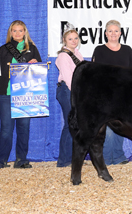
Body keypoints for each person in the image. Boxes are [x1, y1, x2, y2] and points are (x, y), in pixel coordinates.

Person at [0, 20, 42, 169]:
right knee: (6, 128)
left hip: (26, 93)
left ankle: (21, 160)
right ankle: (1, 161)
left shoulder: (32, 49)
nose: (17, 33)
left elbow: (40, 71)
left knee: (24, 127)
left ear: (25, 32)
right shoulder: (4, 49)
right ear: (10, 33)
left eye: (20, 31)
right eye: (14, 31)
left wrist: (36, 64)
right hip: (6, 92)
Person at [92, 19, 132, 165]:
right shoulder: (99, 50)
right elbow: (95, 73)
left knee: (121, 125)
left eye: (116, 31)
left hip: (124, 94)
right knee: (108, 127)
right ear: (105, 33)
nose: (113, 33)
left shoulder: (127, 50)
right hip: (106, 94)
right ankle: (105, 158)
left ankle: (118, 155)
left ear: (120, 33)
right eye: (110, 31)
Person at [55, 23, 84, 167]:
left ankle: (74, 158)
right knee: (69, 124)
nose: (74, 41)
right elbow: (68, 77)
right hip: (68, 90)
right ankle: (63, 160)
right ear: (64, 40)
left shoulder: (77, 54)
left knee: (76, 124)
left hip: (76, 90)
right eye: (70, 39)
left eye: (76, 38)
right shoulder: (62, 56)